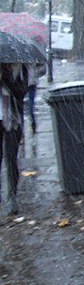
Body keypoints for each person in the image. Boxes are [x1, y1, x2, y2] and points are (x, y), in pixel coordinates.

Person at [1, 63, 27, 215]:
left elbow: (22, 92)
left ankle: (12, 197)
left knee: (11, 158)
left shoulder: (19, 68)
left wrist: (6, 78)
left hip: (12, 119)